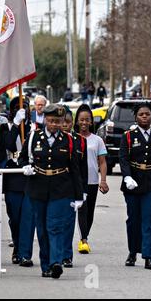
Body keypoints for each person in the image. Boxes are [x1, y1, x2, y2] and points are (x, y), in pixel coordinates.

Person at [19, 104, 84, 279]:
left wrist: (79, 195)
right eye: (51, 121)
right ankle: (45, 265)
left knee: (54, 226)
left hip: (61, 188)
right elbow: (22, 158)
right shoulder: (33, 137)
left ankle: (56, 262)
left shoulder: (69, 140)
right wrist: (26, 167)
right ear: (45, 120)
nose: (55, 125)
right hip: (37, 187)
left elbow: (75, 169)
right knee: (41, 228)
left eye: (58, 121)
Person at [119, 103, 151, 269]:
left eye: (147, 114)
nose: (145, 117)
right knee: (133, 220)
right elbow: (123, 159)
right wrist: (126, 177)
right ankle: (132, 253)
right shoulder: (128, 136)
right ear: (136, 117)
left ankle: (149, 256)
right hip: (133, 183)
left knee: (149, 220)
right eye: (141, 114)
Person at [1, 96, 35, 267]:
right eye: (16, 107)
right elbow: (8, 144)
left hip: (30, 177)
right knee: (15, 218)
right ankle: (17, 248)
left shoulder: (35, 128)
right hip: (13, 177)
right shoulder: (5, 127)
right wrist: (15, 124)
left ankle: (24, 253)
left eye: (25, 107)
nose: (22, 110)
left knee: (28, 218)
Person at [74, 104, 109, 254]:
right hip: (76, 181)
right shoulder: (72, 138)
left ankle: (84, 235)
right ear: (77, 121)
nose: (84, 123)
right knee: (82, 209)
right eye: (81, 120)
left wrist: (103, 180)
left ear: (91, 122)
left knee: (89, 212)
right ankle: (84, 240)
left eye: (87, 120)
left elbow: (102, 161)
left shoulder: (97, 140)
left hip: (92, 181)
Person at [61, 107, 88, 268]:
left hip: (72, 187)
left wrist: (83, 190)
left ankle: (66, 256)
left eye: (68, 122)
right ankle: (55, 254)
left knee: (69, 223)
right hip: (56, 186)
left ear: (73, 123)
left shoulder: (80, 141)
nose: (64, 125)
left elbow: (82, 169)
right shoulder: (54, 139)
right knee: (56, 223)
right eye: (62, 122)